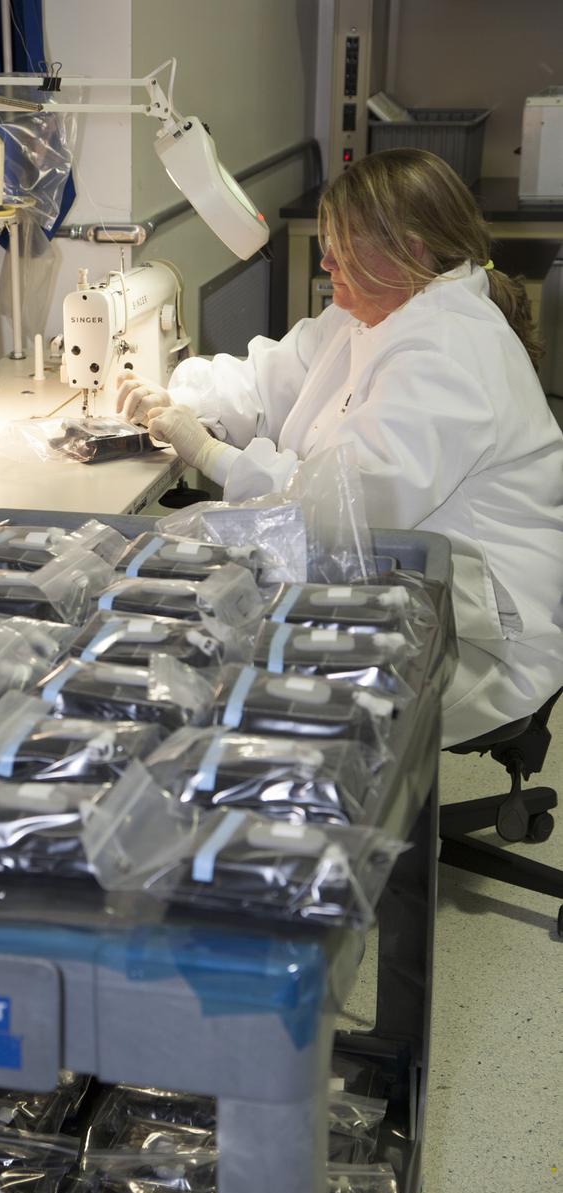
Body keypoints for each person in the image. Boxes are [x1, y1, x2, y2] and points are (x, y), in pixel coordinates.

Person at [116, 148, 563, 747]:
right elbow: (270, 377)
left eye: (343, 246)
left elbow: (345, 507)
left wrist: (212, 455)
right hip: (398, 577)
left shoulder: (448, 351)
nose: (326, 261)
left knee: (248, 690)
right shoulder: (375, 313)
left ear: (410, 248)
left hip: (478, 629)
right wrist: (176, 392)